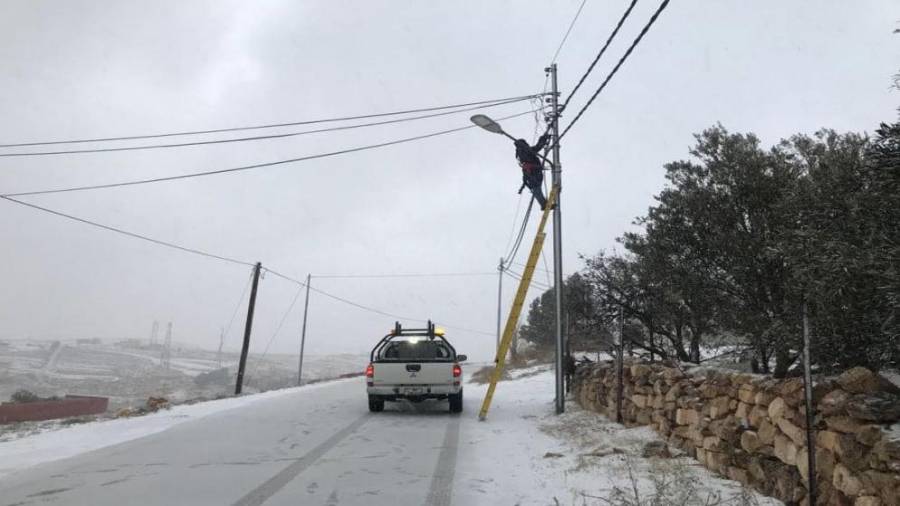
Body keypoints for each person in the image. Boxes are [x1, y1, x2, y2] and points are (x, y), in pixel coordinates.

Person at [515, 134, 550, 210]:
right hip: (532, 172)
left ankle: (543, 204)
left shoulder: (520, 153)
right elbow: (537, 147)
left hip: (531, 173)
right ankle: (544, 204)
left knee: (536, 189)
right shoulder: (524, 151)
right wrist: (543, 138)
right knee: (537, 188)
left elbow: (536, 148)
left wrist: (543, 138)